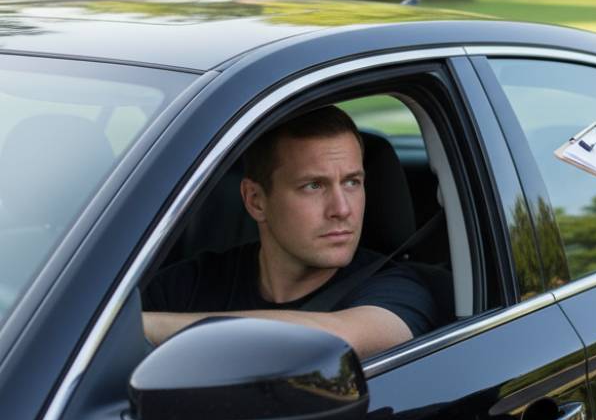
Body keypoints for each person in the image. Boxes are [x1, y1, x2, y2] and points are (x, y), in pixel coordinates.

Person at [143, 106, 438, 359]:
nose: (342, 209)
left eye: (352, 182)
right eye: (314, 186)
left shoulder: (397, 291)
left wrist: (142, 326)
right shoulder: (183, 288)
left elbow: (334, 340)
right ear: (256, 201)